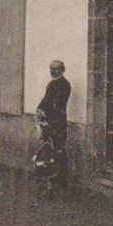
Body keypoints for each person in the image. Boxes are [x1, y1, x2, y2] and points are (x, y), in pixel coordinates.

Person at [37, 60, 72, 193]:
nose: (52, 71)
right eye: (51, 68)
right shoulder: (51, 84)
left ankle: (62, 182)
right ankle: (48, 182)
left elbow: (57, 104)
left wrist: (46, 115)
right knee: (46, 150)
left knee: (59, 151)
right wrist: (39, 109)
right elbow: (46, 100)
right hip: (48, 122)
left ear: (62, 70)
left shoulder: (65, 85)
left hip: (58, 123)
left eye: (56, 69)